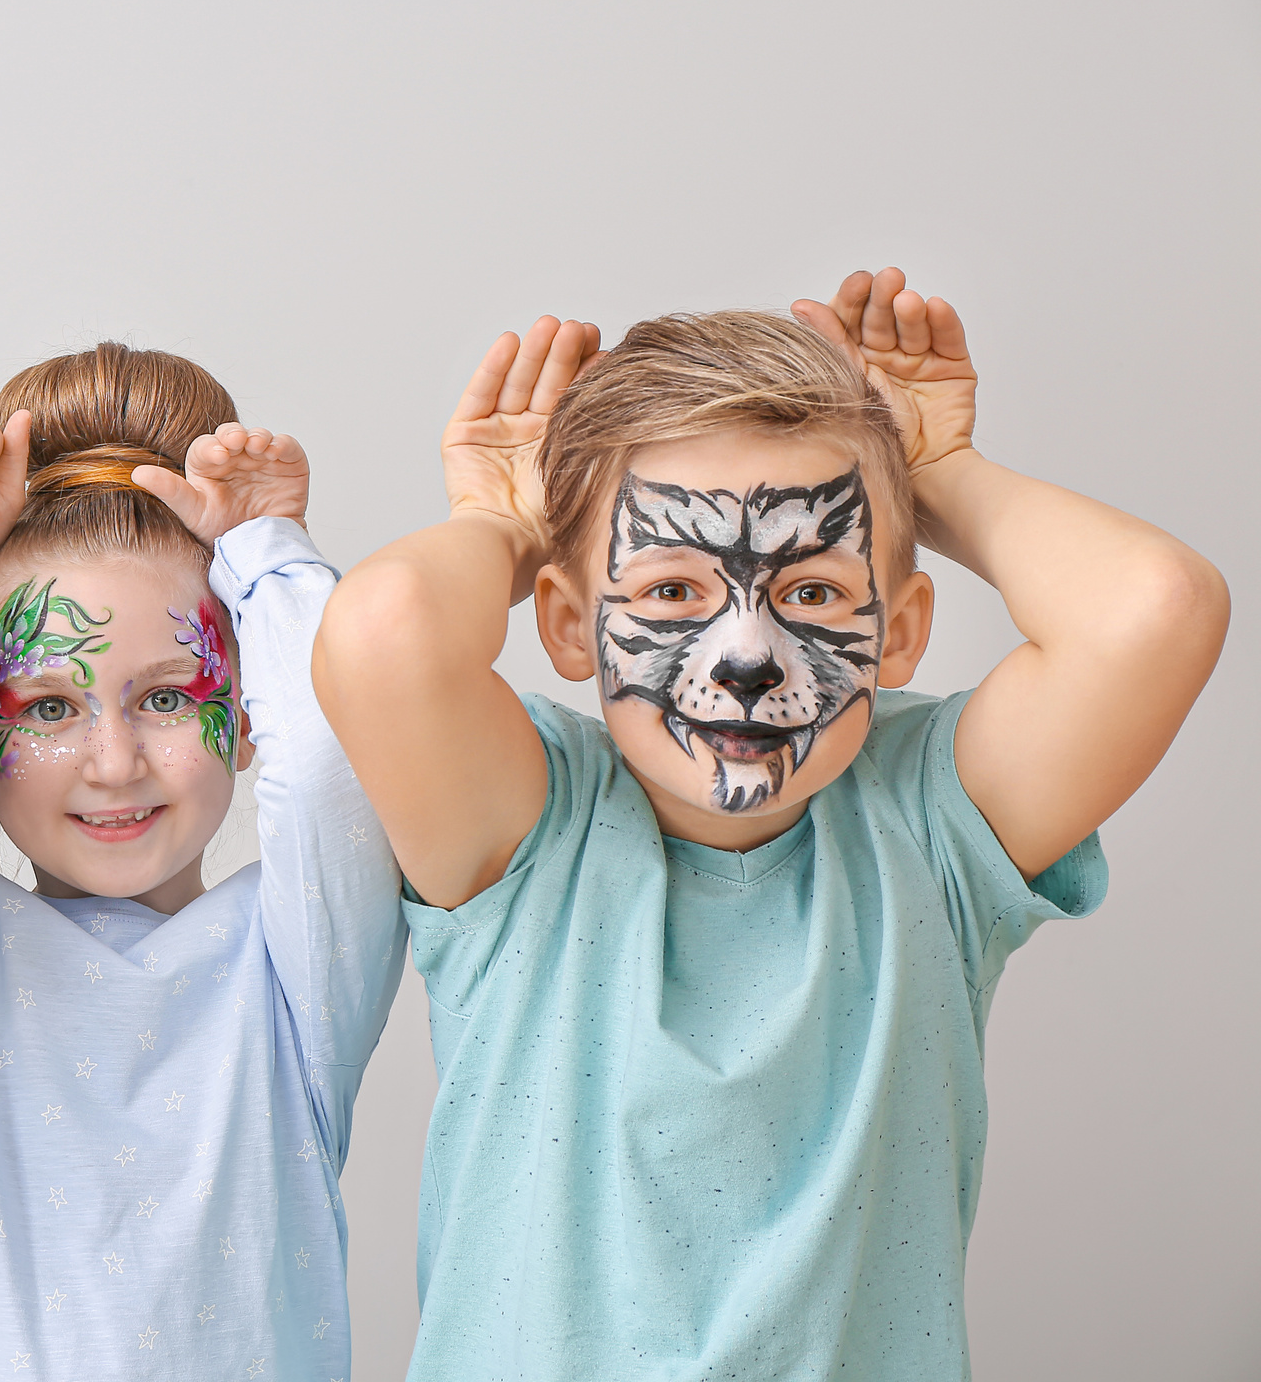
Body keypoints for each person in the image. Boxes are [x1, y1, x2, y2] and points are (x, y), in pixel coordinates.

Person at [313, 272, 1231, 1379]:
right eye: (668, 593)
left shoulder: (930, 826)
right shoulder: (527, 828)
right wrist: (504, 521)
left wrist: (935, 474)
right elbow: (383, 632)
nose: (746, 657)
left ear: (900, 635)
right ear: (564, 621)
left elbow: (1156, 608)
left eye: (813, 595)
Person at [0, 343, 404, 1378]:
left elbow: (346, 757)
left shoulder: (295, 960)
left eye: (168, 696)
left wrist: (269, 551)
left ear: (247, 714)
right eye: (48, 708)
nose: (114, 763)